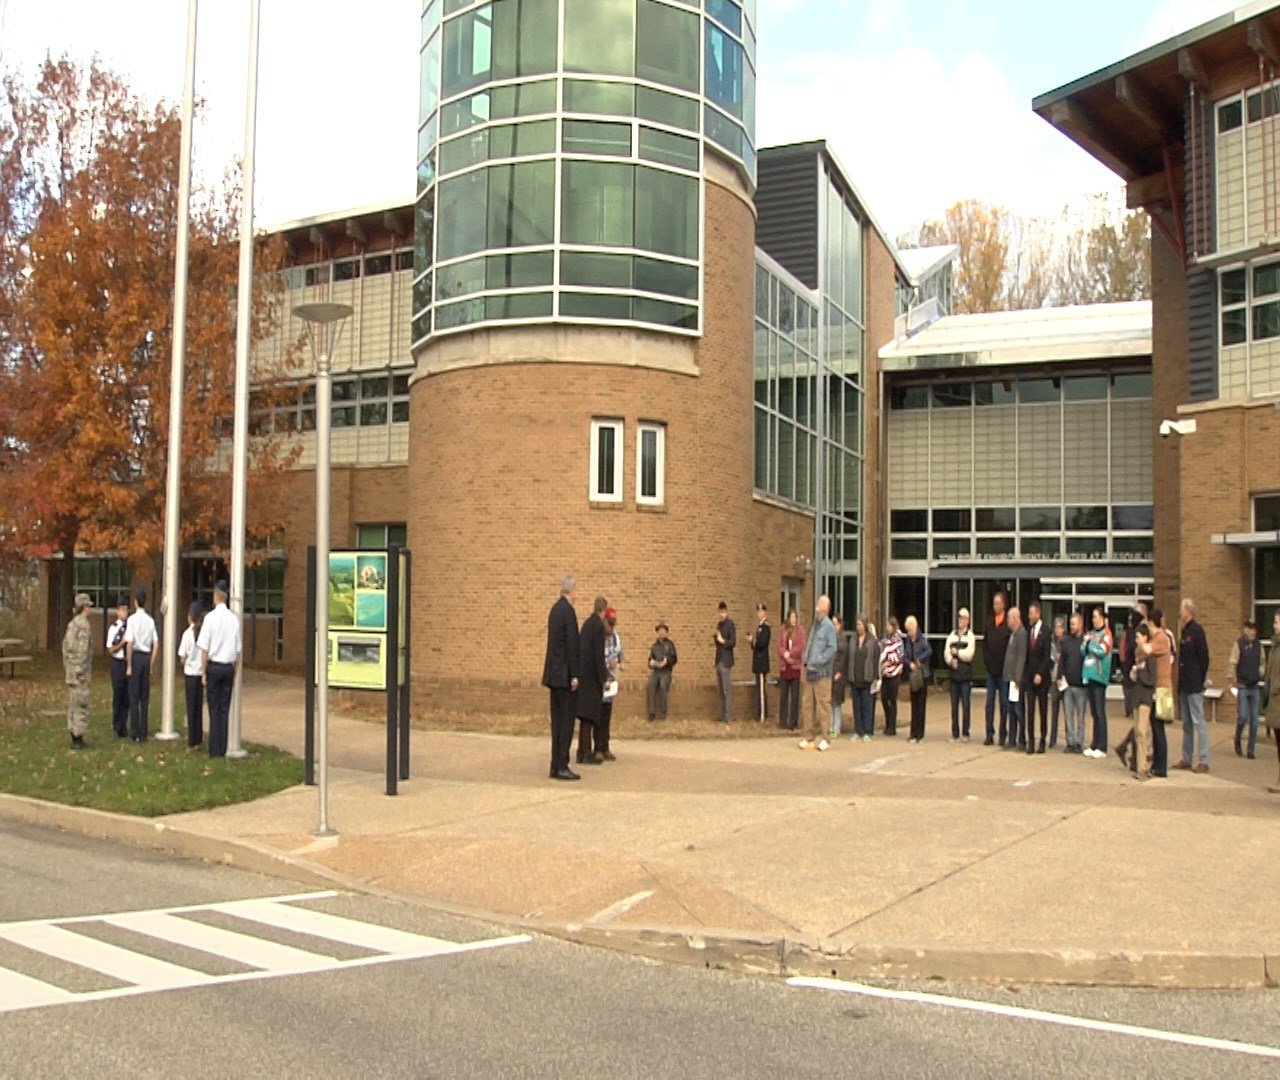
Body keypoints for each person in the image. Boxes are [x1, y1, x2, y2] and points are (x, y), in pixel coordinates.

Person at [541, 576, 581, 780]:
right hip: (565, 676)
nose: (577, 596)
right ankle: (563, 765)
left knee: (557, 722)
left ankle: (554, 765)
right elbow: (572, 645)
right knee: (566, 722)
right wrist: (575, 675)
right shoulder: (568, 612)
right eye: (576, 591)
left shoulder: (554, 610)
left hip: (553, 674)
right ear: (570, 591)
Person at [197, 580, 241, 759]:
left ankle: (214, 749)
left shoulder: (210, 619)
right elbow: (238, 651)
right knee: (224, 708)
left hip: (214, 667)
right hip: (228, 667)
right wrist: (235, 672)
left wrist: (203, 672)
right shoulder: (234, 619)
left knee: (213, 709)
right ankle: (222, 748)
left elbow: (204, 648)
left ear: (215, 596)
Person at [1174, 598, 1211, 774]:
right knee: (1186, 723)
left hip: (1194, 684)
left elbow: (1204, 657)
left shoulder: (1197, 630)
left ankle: (1204, 760)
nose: (1179, 613)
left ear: (1188, 611)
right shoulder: (1184, 631)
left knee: (1199, 722)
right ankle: (1186, 758)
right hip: (1184, 684)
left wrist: (1200, 679)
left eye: (1181, 610)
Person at [576, 596, 612, 764]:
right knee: (590, 716)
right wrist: (604, 677)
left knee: (584, 717)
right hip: (592, 678)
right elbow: (598, 654)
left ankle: (581, 752)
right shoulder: (598, 625)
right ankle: (586, 753)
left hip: (583, 675)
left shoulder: (587, 624)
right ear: (604, 610)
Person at [798, 595, 837, 751]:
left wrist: (819, 660)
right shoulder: (815, 624)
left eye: (819, 604)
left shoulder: (828, 626)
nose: (816, 606)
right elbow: (811, 643)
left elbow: (832, 648)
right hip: (810, 670)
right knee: (807, 704)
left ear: (825, 608)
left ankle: (826, 739)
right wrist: (806, 660)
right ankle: (808, 737)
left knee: (823, 706)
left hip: (822, 673)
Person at [1140, 611, 1174, 779]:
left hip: (1161, 689)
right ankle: (1157, 764)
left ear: (1151, 622)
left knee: (1158, 727)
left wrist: (1140, 640)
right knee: (1155, 726)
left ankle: (1161, 767)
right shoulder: (1158, 638)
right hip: (1158, 688)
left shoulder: (1161, 637)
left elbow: (1146, 650)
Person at [124, 586, 157, 742]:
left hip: (136, 656)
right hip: (146, 657)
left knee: (133, 695)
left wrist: (129, 664)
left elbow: (129, 643)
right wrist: (151, 662)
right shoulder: (150, 620)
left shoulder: (132, 620)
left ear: (136, 601)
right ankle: (143, 732)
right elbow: (156, 643)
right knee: (144, 696)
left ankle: (134, 731)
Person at [1125, 622, 1157, 780]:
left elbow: (1151, 679)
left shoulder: (1150, 656)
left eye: (1138, 636)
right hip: (1137, 695)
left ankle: (1144, 767)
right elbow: (1137, 677)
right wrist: (1134, 673)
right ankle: (1140, 765)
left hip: (1146, 696)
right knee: (1137, 731)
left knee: (1143, 731)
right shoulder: (1138, 655)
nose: (1136, 640)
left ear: (1145, 637)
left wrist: (1140, 672)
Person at [1229, 619, 1264, 759]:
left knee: (1255, 721)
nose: (1253, 631)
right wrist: (1232, 680)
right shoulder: (1239, 644)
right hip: (1243, 686)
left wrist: (1260, 673)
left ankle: (1251, 750)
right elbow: (1233, 662)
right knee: (1243, 717)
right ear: (1245, 630)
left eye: (1254, 629)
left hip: (1254, 687)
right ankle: (1237, 739)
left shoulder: (1259, 646)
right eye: (1250, 629)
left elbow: (1262, 662)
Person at [62, 592, 93, 749]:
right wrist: (80, 672)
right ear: (84, 607)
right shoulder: (83, 625)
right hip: (80, 673)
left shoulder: (72, 624)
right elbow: (82, 650)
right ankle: (78, 737)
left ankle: (73, 733)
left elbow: (66, 648)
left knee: (73, 704)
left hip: (70, 672)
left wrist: (70, 668)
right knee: (81, 704)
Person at [1081, 607, 1113, 759]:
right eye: (1092, 617)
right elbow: (1082, 649)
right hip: (1089, 676)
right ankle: (1094, 743)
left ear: (1102, 618)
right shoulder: (1092, 634)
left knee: (1100, 712)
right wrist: (1087, 645)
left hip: (1099, 676)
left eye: (1095, 616)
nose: (1093, 619)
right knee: (1094, 712)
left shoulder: (1106, 634)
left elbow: (1102, 650)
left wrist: (1089, 646)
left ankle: (1102, 745)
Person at [982, 590, 1012, 746]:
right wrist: (987, 661)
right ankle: (989, 733)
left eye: (998, 603)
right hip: (991, 671)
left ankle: (1003, 734)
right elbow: (985, 644)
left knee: (1004, 704)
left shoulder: (1008, 623)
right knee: (989, 704)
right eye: (994, 603)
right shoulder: (989, 622)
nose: (995, 606)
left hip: (1003, 672)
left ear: (1003, 605)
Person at [593, 606, 622, 762]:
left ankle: (605, 747)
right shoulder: (599, 637)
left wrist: (617, 662)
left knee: (607, 716)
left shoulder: (616, 637)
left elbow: (619, 655)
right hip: (599, 681)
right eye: (609, 623)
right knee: (598, 716)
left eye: (613, 623)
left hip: (611, 681)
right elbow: (595, 658)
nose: (611, 626)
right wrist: (606, 664)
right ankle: (597, 748)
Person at [1023, 601, 1051, 754]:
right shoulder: (1028, 631)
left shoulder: (1046, 631)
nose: (1029, 616)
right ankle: (1031, 742)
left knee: (1042, 710)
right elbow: (1027, 656)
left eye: (1031, 613)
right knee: (1030, 711)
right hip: (1029, 678)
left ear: (1038, 614)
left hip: (1042, 678)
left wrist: (1040, 673)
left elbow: (1047, 656)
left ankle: (1042, 740)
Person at [944, 608, 976, 742]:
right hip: (954, 676)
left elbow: (969, 655)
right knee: (954, 706)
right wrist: (951, 660)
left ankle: (965, 733)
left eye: (963, 618)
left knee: (966, 705)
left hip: (965, 677)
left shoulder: (970, 636)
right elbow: (946, 652)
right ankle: (955, 733)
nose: (960, 621)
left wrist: (957, 653)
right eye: (959, 618)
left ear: (967, 620)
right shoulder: (951, 636)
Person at [177, 601, 205, 749]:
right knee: (198, 707)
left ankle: (191, 740)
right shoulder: (204, 633)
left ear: (190, 616)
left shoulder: (187, 634)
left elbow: (182, 655)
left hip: (190, 674)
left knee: (190, 707)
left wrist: (185, 661)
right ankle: (199, 738)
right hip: (200, 674)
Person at [1060, 611, 1088, 754]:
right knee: (1068, 716)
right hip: (1068, 685)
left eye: (1073, 624)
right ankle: (1070, 741)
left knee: (1080, 717)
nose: (1071, 626)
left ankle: (1079, 742)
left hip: (1082, 686)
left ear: (1080, 624)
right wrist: (1060, 676)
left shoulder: (1085, 642)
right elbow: (1062, 662)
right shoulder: (1066, 641)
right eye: (1070, 624)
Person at [848, 614, 879, 742]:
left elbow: (876, 659)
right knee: (857, 706)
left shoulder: (872, 641)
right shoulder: (853, 639)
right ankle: (858, 731)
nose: (858, 627)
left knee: (867, 706)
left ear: (865, 626)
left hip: (867, 678)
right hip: (855, 678)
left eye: (860, 624)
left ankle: (867, 731)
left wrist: (876, 677)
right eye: (857, 624)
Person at [903, 615, 932, 743]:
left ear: (915, 627)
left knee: (921, 705)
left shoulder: (922, 639)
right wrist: (909, 663)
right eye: (907, 630)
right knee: (913, 704)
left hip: (922, 675)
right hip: (912, 675)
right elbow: (904, 655)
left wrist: (919, 660)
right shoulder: (908, 640)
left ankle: (919, 734)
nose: (909, 632)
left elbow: (929, 651)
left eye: (910, 630)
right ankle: (912, 733)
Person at [1002, 606, 1027, 750]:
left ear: (1015, 618)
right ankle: (1012, 739)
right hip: (1009, 678)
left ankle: (1021, 739)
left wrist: (1018, 678)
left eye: (1009, 618)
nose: (1007, 621)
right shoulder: (1013, 634)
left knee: (1018, 710)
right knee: (1011, 710)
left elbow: (1021, 657)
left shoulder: (1021, 634)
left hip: (1015, 680)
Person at [104, 595, 129, 738]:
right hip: (117, 663)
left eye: (126, 609)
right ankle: (116, 725)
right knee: (118, 695)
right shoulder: (114, 628)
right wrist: (121, 643)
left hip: (127, 663)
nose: (125, 612)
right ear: (118, 611)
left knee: (126, 696)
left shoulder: (130, 627)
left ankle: (124, 725)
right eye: (123, 610)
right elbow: (110, 649)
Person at [777, 610, 804, 731]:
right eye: (792, 617)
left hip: (795, 667)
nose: (794, 619)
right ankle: (782, 721)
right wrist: (785, 654)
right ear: (788, 618)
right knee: (783, 695)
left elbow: (800, 647)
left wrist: (791, 654)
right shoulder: (782, 630)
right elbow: (779, 646)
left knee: (794, 696)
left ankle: (793, 722)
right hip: (785, 667)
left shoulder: (800, 631)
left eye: (795, 617)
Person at [646, 621, 677, 721]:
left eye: (663, 630)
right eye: (659, 630)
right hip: (656, 671)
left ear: (666, 632)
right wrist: (650, 663)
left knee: (663, 687)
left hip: (666, 672)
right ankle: (651, 713)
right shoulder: (654, 646)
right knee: (650, 686)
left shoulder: (670, 644)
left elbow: (674, 658)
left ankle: (663, 713)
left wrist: (667, 661)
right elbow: (650, 659)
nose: (661, 632)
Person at [879, 617, 904, 737]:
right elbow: (880, 650)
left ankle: (892, 727)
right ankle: (887, 723)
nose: (887, 627)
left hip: (895, 674)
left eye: (889, 625)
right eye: (887, 625)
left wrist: (888, 657)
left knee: (892, 700)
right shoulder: (885, 639)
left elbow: (898, 657)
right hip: (885, 674)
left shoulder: (898, 640)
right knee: (884, 698)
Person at [1264, 611, 1280, 794]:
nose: (1274, 625)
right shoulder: (1275, 644)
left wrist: (1276, 686)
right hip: (1275, 701)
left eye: (1277, 622)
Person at [713, 601, 736, 723]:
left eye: (723, 612)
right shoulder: (719, 625)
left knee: (726, 690)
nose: (721, 614)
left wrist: (722, 640)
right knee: (721, 690)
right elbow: (718, 642)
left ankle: (728, 716)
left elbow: (733, 642)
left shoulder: (730, 624)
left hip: (726, 660)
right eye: (720, 612)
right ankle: (722, 715)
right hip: (719, 659)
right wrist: (716, 638)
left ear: (726, 612)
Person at [749, 603, 771, 723]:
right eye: (758, 612)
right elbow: (755, 645)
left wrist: (754, 641)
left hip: (762, 663)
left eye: (761, 611)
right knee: (758, 689)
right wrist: (752, 642)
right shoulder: (759, 627)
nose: (759, 614)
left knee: (762, 691)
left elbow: (762, 644)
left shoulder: (766, 627)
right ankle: (759, 714)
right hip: (757, 663)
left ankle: (762, 715)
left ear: (764, 613)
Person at [1048, 616, 1066, 749]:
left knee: (1067, 710)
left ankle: (1069, 739)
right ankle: (1052, 738)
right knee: (1054, 709)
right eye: (1056, 627)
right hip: (1054, 678)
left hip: (1064, 679)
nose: (1057, 630)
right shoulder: (1051, 642)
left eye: (1060, 627)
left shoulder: (1066, 642)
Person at [830, 615, 849, 738]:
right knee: (830, 702)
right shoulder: (830, 637)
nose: (833, 625)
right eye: (832, 623)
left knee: (836, 703)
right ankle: (831, 727)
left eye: (835, 623)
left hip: (838, 674)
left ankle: (836, 728)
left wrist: (840, 672)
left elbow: (844, 658)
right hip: (830, 673)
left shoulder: (842, 639)